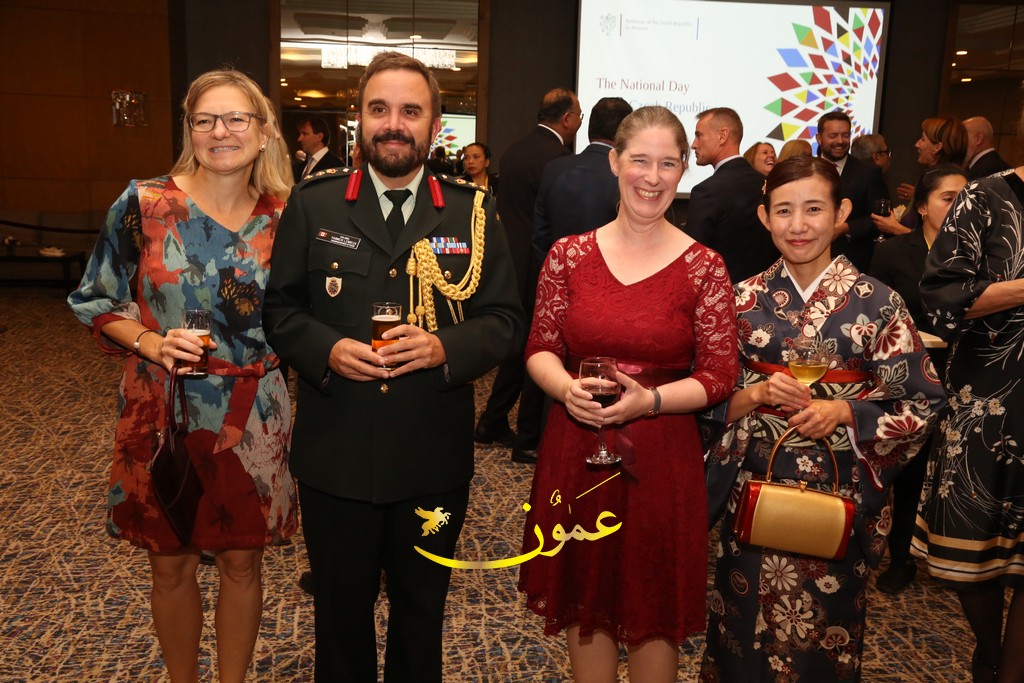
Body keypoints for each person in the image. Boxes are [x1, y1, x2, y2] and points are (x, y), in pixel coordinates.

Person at [262, 51, 522, 682]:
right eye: (379, 109)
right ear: (360, 119)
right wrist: (325, 350)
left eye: (411, 110)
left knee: (421, 614)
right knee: (339, 617)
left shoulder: (473, 212)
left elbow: (504, 320)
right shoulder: (315, 204)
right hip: (337, 454)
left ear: (434, 125)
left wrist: (444, 349)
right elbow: (282, 311)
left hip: (430, 458)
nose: (394, 124)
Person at [67, 68, 297, 683]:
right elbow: (95, 297)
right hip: (161, 407)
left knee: (243, 564)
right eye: (205, 120)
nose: (221, 132)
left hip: (255, 411)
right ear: (189, 130)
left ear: (263, 131)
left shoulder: (288, 215)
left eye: (236, 118)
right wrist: (149, 340)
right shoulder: (144, 204)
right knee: (169, 565)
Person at [701, 156, 945, 682]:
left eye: (814, 209)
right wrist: (755, 393)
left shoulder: (879, 304)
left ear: (841, 212)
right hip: (753, 492)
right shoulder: (739, 301)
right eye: (783, 210)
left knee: (822, 636)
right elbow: (703, 397)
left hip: (839, 494)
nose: (798, 225)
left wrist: (848, 412)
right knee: (741, 629)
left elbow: (922, 402)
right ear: (764, 217)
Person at [518, 105, 739, 682]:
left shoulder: (705, 267)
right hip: (576, 446)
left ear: (684, 169)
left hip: (662, 456)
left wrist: (652, 401)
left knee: (652, 603)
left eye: (668, 163)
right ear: (615, 162)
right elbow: (539, 346)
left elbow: (720, 374)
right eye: (640, 160)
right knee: (582, 595)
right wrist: (565, 388)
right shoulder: (567, 256)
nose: (652, 177)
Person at [912, 165, 1024, 683]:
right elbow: (942, 297)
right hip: (990, 408)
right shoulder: (986, 198)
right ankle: (991, 652)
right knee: (970, 554)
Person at [868, 165, 967, 594]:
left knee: (953, 467)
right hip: (908, 373)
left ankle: (958, 554)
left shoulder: (984, 253)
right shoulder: (893, 252)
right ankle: (900, 556)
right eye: (949, 197)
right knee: (908, 467)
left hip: (965, 372)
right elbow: (875, 317)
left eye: (966, 198)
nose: (960, 206)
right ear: (922, 207)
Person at [475, 87, 582, 463]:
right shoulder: (558, 160)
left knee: (519, 346)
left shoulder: (514, 151)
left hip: (509, 260)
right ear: (566, 119)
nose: (579, 122)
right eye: (578, 116)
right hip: (539, 265)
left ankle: (492, 421)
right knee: (539, 349)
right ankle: (524, 435)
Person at [532, 96, 634, 267]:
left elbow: (540, 237)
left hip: (559, 275)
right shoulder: (626, 175)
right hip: (608, 277)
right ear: (625, 134)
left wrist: (554, 275)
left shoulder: (553, 168)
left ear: (589, 129)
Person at [687, 107, 780, 282]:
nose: (694, 144)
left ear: (722, 136)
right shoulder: (768, 185)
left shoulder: (706, 191)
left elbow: (694, 261)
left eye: (699, 135)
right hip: (769, 290)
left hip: (724, 293)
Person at [815, 110, 890, 272]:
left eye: (845, 135)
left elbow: (881, 217)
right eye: (833, 136)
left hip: (851, 262)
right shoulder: (805, 169)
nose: (840, 141)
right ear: (819, 138)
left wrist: (846, 228)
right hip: (808, 259)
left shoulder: (868, 172)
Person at [294, 117, 344, 182]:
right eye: (300, 134)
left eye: (305, 134)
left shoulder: (336, 166)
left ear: (320, 137)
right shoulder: (301, 166)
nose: (299, 139)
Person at [963, 116, 1011, 181]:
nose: (959, 143)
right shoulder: (997, 165)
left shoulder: (987, 170)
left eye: (963, 137)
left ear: (978, 139)